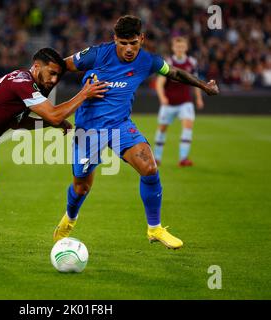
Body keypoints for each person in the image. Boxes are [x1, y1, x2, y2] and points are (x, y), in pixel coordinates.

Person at [53, 16, 219, 249]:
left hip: (120, 126)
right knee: (81, 186)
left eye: (133, 42)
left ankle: (155, 229)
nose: (129, 49)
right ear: (115, 40)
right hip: (88, 129)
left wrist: (203, 85)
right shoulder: (97, 55)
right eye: (123, 43)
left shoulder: (148, 61)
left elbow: (175, 73)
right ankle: (70, 219)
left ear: (141, 38)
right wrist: (43, 93)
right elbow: (61, 66)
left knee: (149, 167)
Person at [0, 48, 108, 259]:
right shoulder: (22, 82)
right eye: (51, 72)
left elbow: (18, 122)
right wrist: (83, 94)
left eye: (57, 75)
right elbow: (52, 114)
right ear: (36, 67)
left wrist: (53, 124)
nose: (53, 79)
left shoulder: (28, 85)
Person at [154, 36, 204, 167]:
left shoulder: (191, 62)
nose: (180, 49)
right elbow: (160, 83)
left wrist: (198, 98)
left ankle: (183, 158)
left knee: (188, 127)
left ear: (186, 48)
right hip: (169, 103)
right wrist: (162, 97)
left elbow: (196, 82)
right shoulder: (168, 63)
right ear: (173, 48)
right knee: (162, 129)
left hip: (185, 102)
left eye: (182, 47)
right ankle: (157, 158)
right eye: (177, 47)